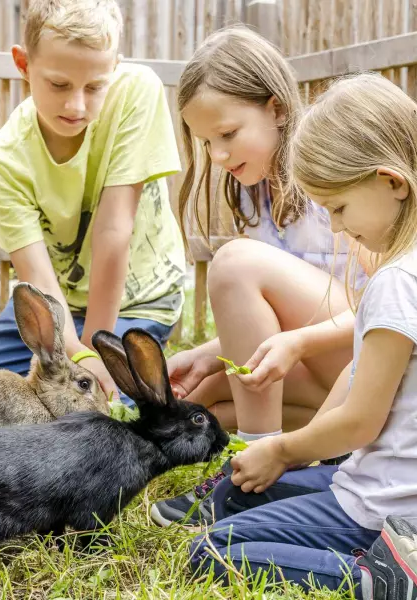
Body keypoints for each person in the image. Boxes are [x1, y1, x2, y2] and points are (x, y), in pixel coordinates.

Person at [188, 72, 417, 600]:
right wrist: (295, 456)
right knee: (236, 497)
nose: (335, 227)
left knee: (211, 549)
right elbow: (357, 378)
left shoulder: (401, 282)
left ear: (392, 181)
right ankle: (398, 559)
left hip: (399, 506)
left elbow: (359, 421)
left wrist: (281, 450)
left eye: (339, 208)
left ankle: (388, 580)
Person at [150, 26, 372, 528]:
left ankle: (253, 480)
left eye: (227, 134)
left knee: (234, 262)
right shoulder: (255, 192)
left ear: (276, 108)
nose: (220, 155)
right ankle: (271, 458)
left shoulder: (330, 169)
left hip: (372, 366)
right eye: (207, 142)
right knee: (205, 400)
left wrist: (292, 345)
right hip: (330, 373)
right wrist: (206, 355)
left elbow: (386, 307)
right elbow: (293, 308)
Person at [0, 0, 186, 405]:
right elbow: (36, 274)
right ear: (23, 64)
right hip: (59, 307)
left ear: (114, 67)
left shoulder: (137, 90)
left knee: (109, 411)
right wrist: (76, 352)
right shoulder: (3, 161)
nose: (77, 105)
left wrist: (94, 350)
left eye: (95, 86)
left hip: (140, 300)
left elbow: (113, 230)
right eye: (59, 85)